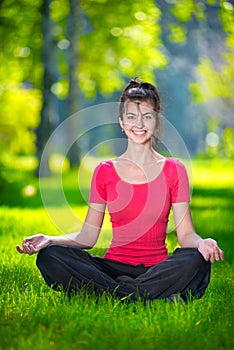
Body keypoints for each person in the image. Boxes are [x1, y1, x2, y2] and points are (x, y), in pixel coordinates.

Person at [16, 78, 224, 302]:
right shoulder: (105, 171)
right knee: (50, 257)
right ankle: (146, 296)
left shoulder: (174, 169)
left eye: (147, 116)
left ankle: (113, 294)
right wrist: (50, 239)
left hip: (157, 269)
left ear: (156, 121)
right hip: (112, 268)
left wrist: (202, 242)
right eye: (131, 117)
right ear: (122, 122)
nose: (139, 124)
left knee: (196, 259)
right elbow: (88, 237)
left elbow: (186, 235)